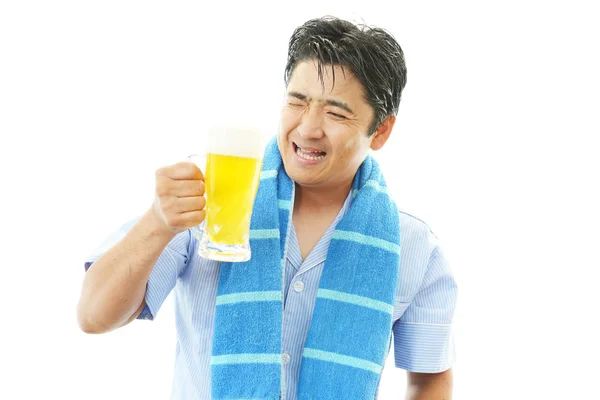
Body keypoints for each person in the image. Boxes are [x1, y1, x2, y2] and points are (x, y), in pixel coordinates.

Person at [77, 16, 458, 400]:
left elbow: (430, 375)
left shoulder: (414, 248)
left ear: (381, 131)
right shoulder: (210, 195)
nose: (308, 128)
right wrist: (157, 223)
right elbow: (93, 316)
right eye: (298, 101)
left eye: (336, 113)